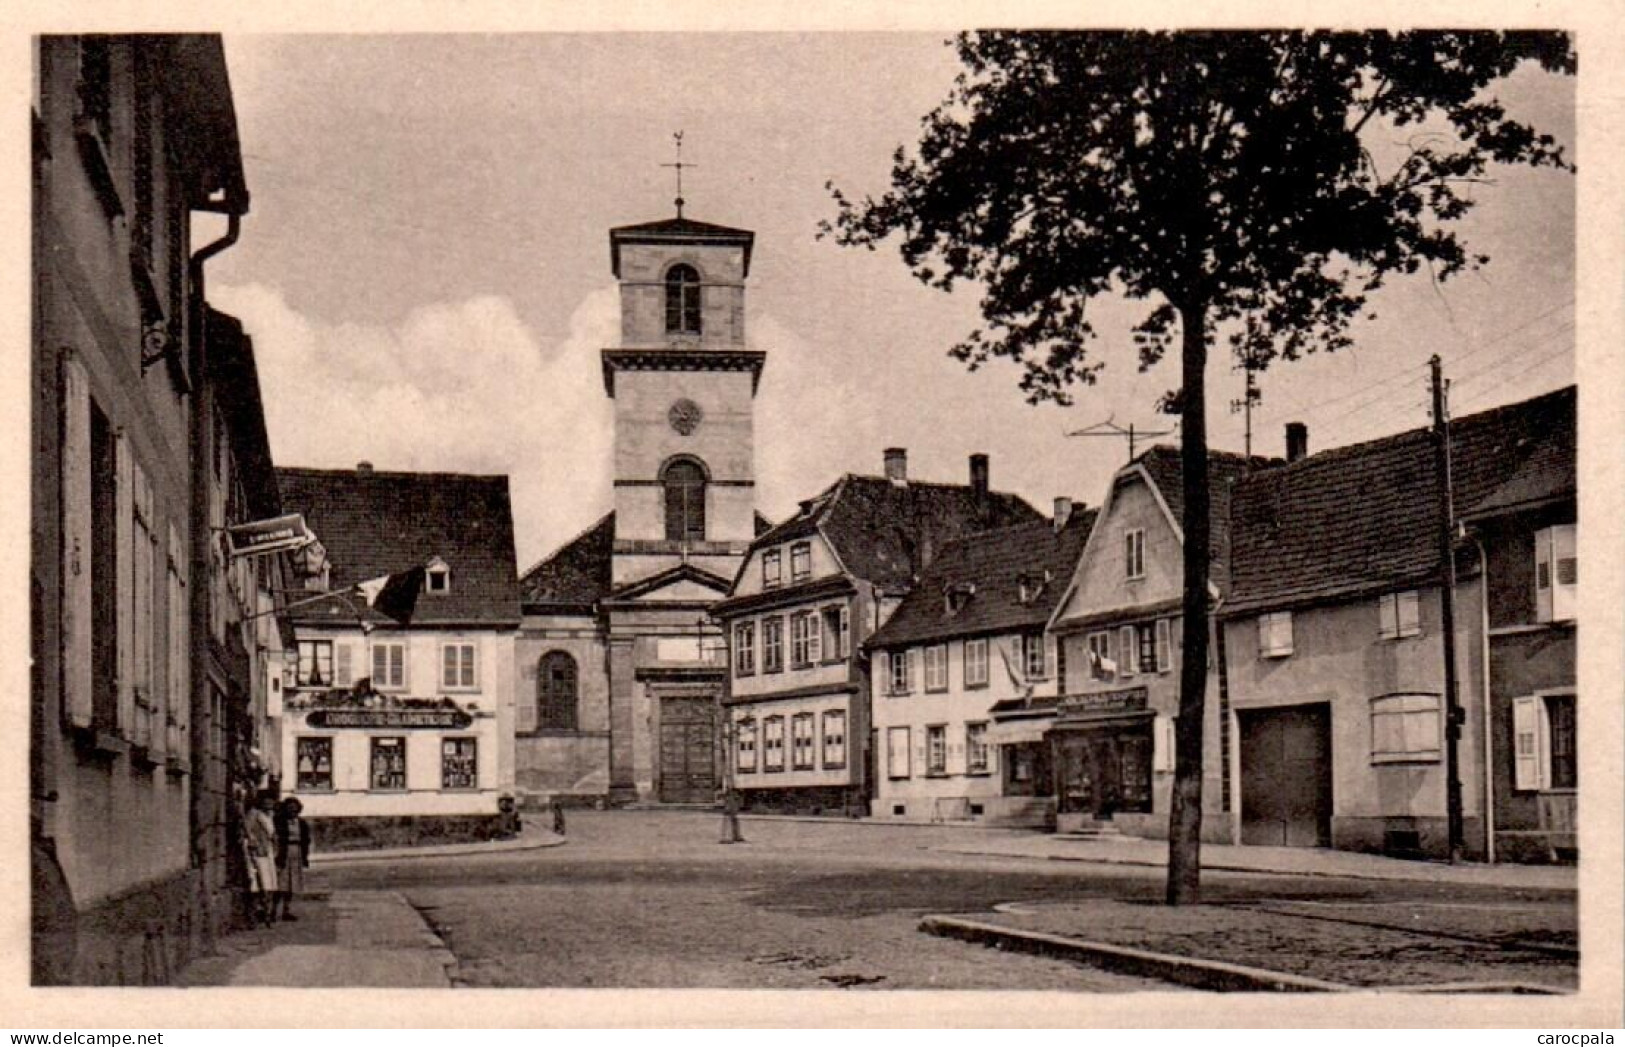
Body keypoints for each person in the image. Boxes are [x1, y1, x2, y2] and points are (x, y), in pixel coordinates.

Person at [243, 792, 279, 927]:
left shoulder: (269, 815)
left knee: (269, 883)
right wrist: (254, 844)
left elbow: (272, 833)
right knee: (258, 882)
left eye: (271, 801)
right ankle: (255, 915)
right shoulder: (254, 813)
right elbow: (248, 830)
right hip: (257, 850)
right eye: (266, 801)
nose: (269, 804)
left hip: (267, 850)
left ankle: (267, 914)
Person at [274, 797, 312, 922]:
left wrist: (305, 857)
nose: (292, 811)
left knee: (292, 883)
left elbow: (306, 840)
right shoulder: (279, 821)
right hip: (284, 852)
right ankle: (273, 910)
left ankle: (286, 910)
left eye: (295, 809)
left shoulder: (301, 823)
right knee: (281, 882)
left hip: (297, 853)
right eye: (290, 809)